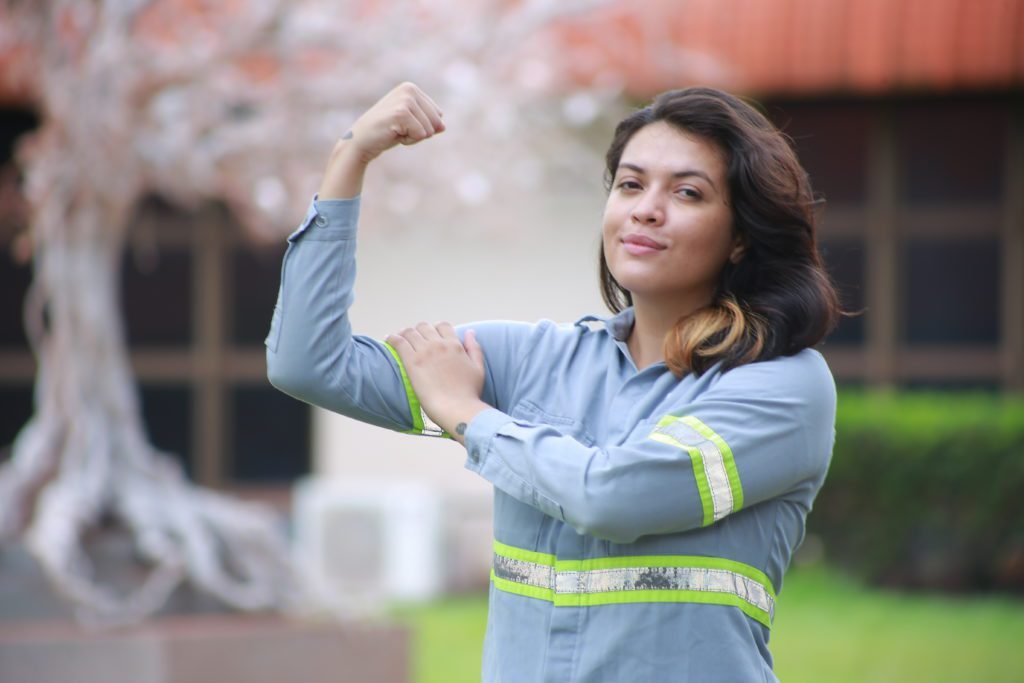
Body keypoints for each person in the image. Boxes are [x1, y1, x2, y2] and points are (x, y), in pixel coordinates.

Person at [267, 82, 841, 682]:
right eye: (630, 184)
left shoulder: (784, 388)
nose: (646, 208)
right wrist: (348, 159)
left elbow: (614, 499)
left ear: (741, 235)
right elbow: (308, 364)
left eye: (688, 192)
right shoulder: (533, 359)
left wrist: (468, 415)